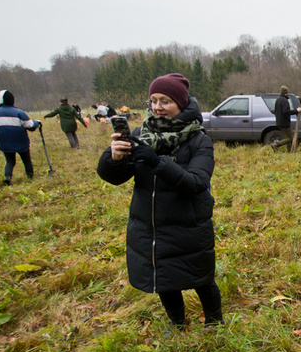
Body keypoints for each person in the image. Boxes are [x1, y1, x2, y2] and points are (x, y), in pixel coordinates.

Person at [96, 73, 223, 332]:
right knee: (164, 277)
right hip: (150, 223)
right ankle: (177, 322)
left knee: (201, 277)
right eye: (153, 100)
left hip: (189, 223)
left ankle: (214, 321)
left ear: (181, 104)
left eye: (165, 101)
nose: (157, 107)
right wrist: (114, 158)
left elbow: (196, 183)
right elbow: (116, 178)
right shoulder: (140, 134)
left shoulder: (199, 139)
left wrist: (156, 162)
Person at [0, 90, 41, 186]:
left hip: (5, 143)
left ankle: (8, 177)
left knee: (10, 161)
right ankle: (30, 177)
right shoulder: (18, 112)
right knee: (26, 160)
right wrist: (37, 122)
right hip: (21, 141)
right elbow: (30, 125)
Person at [271, 85, 301, 151]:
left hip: (279, 122)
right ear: (286, 93)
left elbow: (275, 111)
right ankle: (276, 144)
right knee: (290, 138)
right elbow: (286, 111)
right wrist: (296, 111)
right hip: (285, 123)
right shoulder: (284, 101)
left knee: (288, 137)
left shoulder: (278, 100)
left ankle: (290, 150)